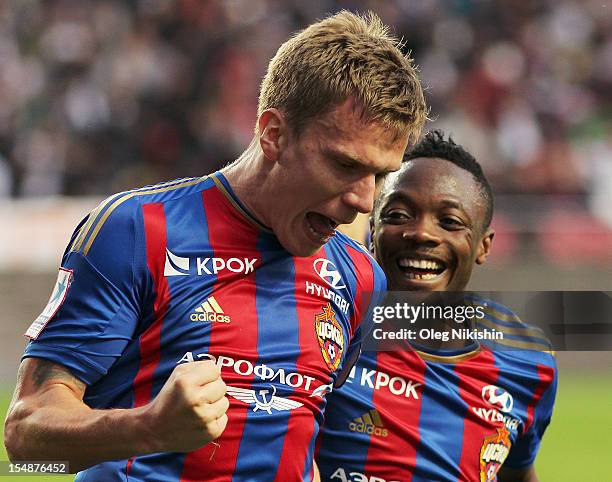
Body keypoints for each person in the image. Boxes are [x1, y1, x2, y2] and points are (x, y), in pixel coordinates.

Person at [4, 11, 427, 481]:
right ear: (274, 134)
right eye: (346, 165)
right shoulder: (138, 230)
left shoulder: (360, 279)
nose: (364, 200)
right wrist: (148, 427)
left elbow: (334, 444)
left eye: (380, 175)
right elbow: (25, 439)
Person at [315, 130, 557, 482]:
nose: (423, 234)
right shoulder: (324, 328)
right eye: (398, 215)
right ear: (373, 231)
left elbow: (515, 471)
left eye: (450, 222)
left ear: (482, 247)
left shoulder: (527, 362)